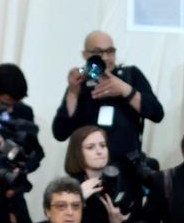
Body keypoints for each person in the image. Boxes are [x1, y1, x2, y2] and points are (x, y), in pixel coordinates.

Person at [52, 30, 165, 161]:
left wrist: (125, 90)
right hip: (87, 169)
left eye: (110, 51)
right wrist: (72, 93)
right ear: (85, 55)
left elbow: (157, 114)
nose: (105, 57)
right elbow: (60, 133)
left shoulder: (130, 75)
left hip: (127, 168)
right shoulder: (80, 81)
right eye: (98, 52)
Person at [64, 125, 144, 223]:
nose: (99, 151)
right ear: (78, 153)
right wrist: (78, 199)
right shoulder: (68, 187)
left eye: (103, 145)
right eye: (90, 147)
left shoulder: (125, 180)